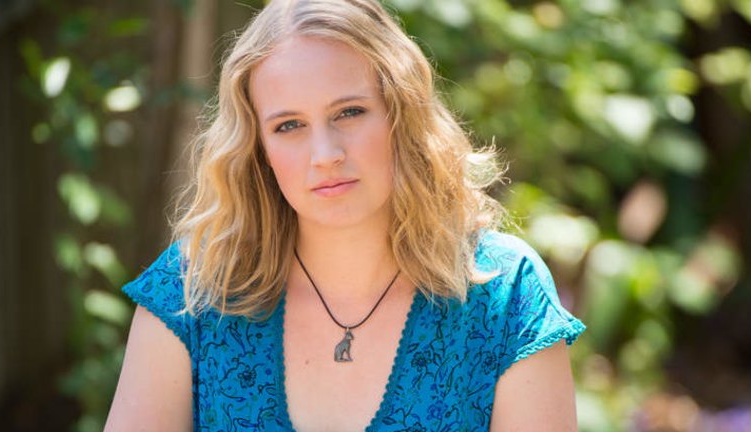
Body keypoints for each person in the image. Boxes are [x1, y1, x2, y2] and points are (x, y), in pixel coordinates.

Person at [105, 0, 586, 430]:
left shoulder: (505, 293)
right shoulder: (190, 290)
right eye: (289, 125)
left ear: (401, 112)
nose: (325, 154)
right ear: (258, 149)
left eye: (349, 112)